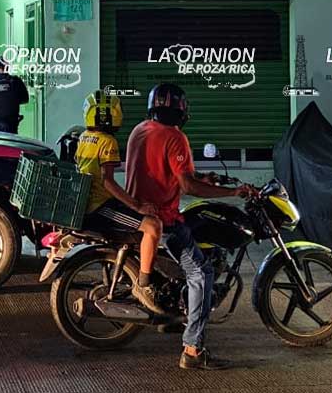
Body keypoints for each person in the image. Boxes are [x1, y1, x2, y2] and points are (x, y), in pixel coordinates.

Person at [125, 83, 252, 371]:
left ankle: (173, 315)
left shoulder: (140, 130)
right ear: (180, 110)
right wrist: (233, 193)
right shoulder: (175, 137)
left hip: (139, 212)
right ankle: (193, 349)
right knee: (202, 271)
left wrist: (210, 177)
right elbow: (188, 186)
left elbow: (173, 173)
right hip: (164, 219)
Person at [75, 90, 164, 312]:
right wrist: (136, 205)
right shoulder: (108, 142)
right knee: (153, 226)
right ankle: (144, 285)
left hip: (88, 203)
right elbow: (108, 183)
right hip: (100, 207)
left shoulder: (84, 137)